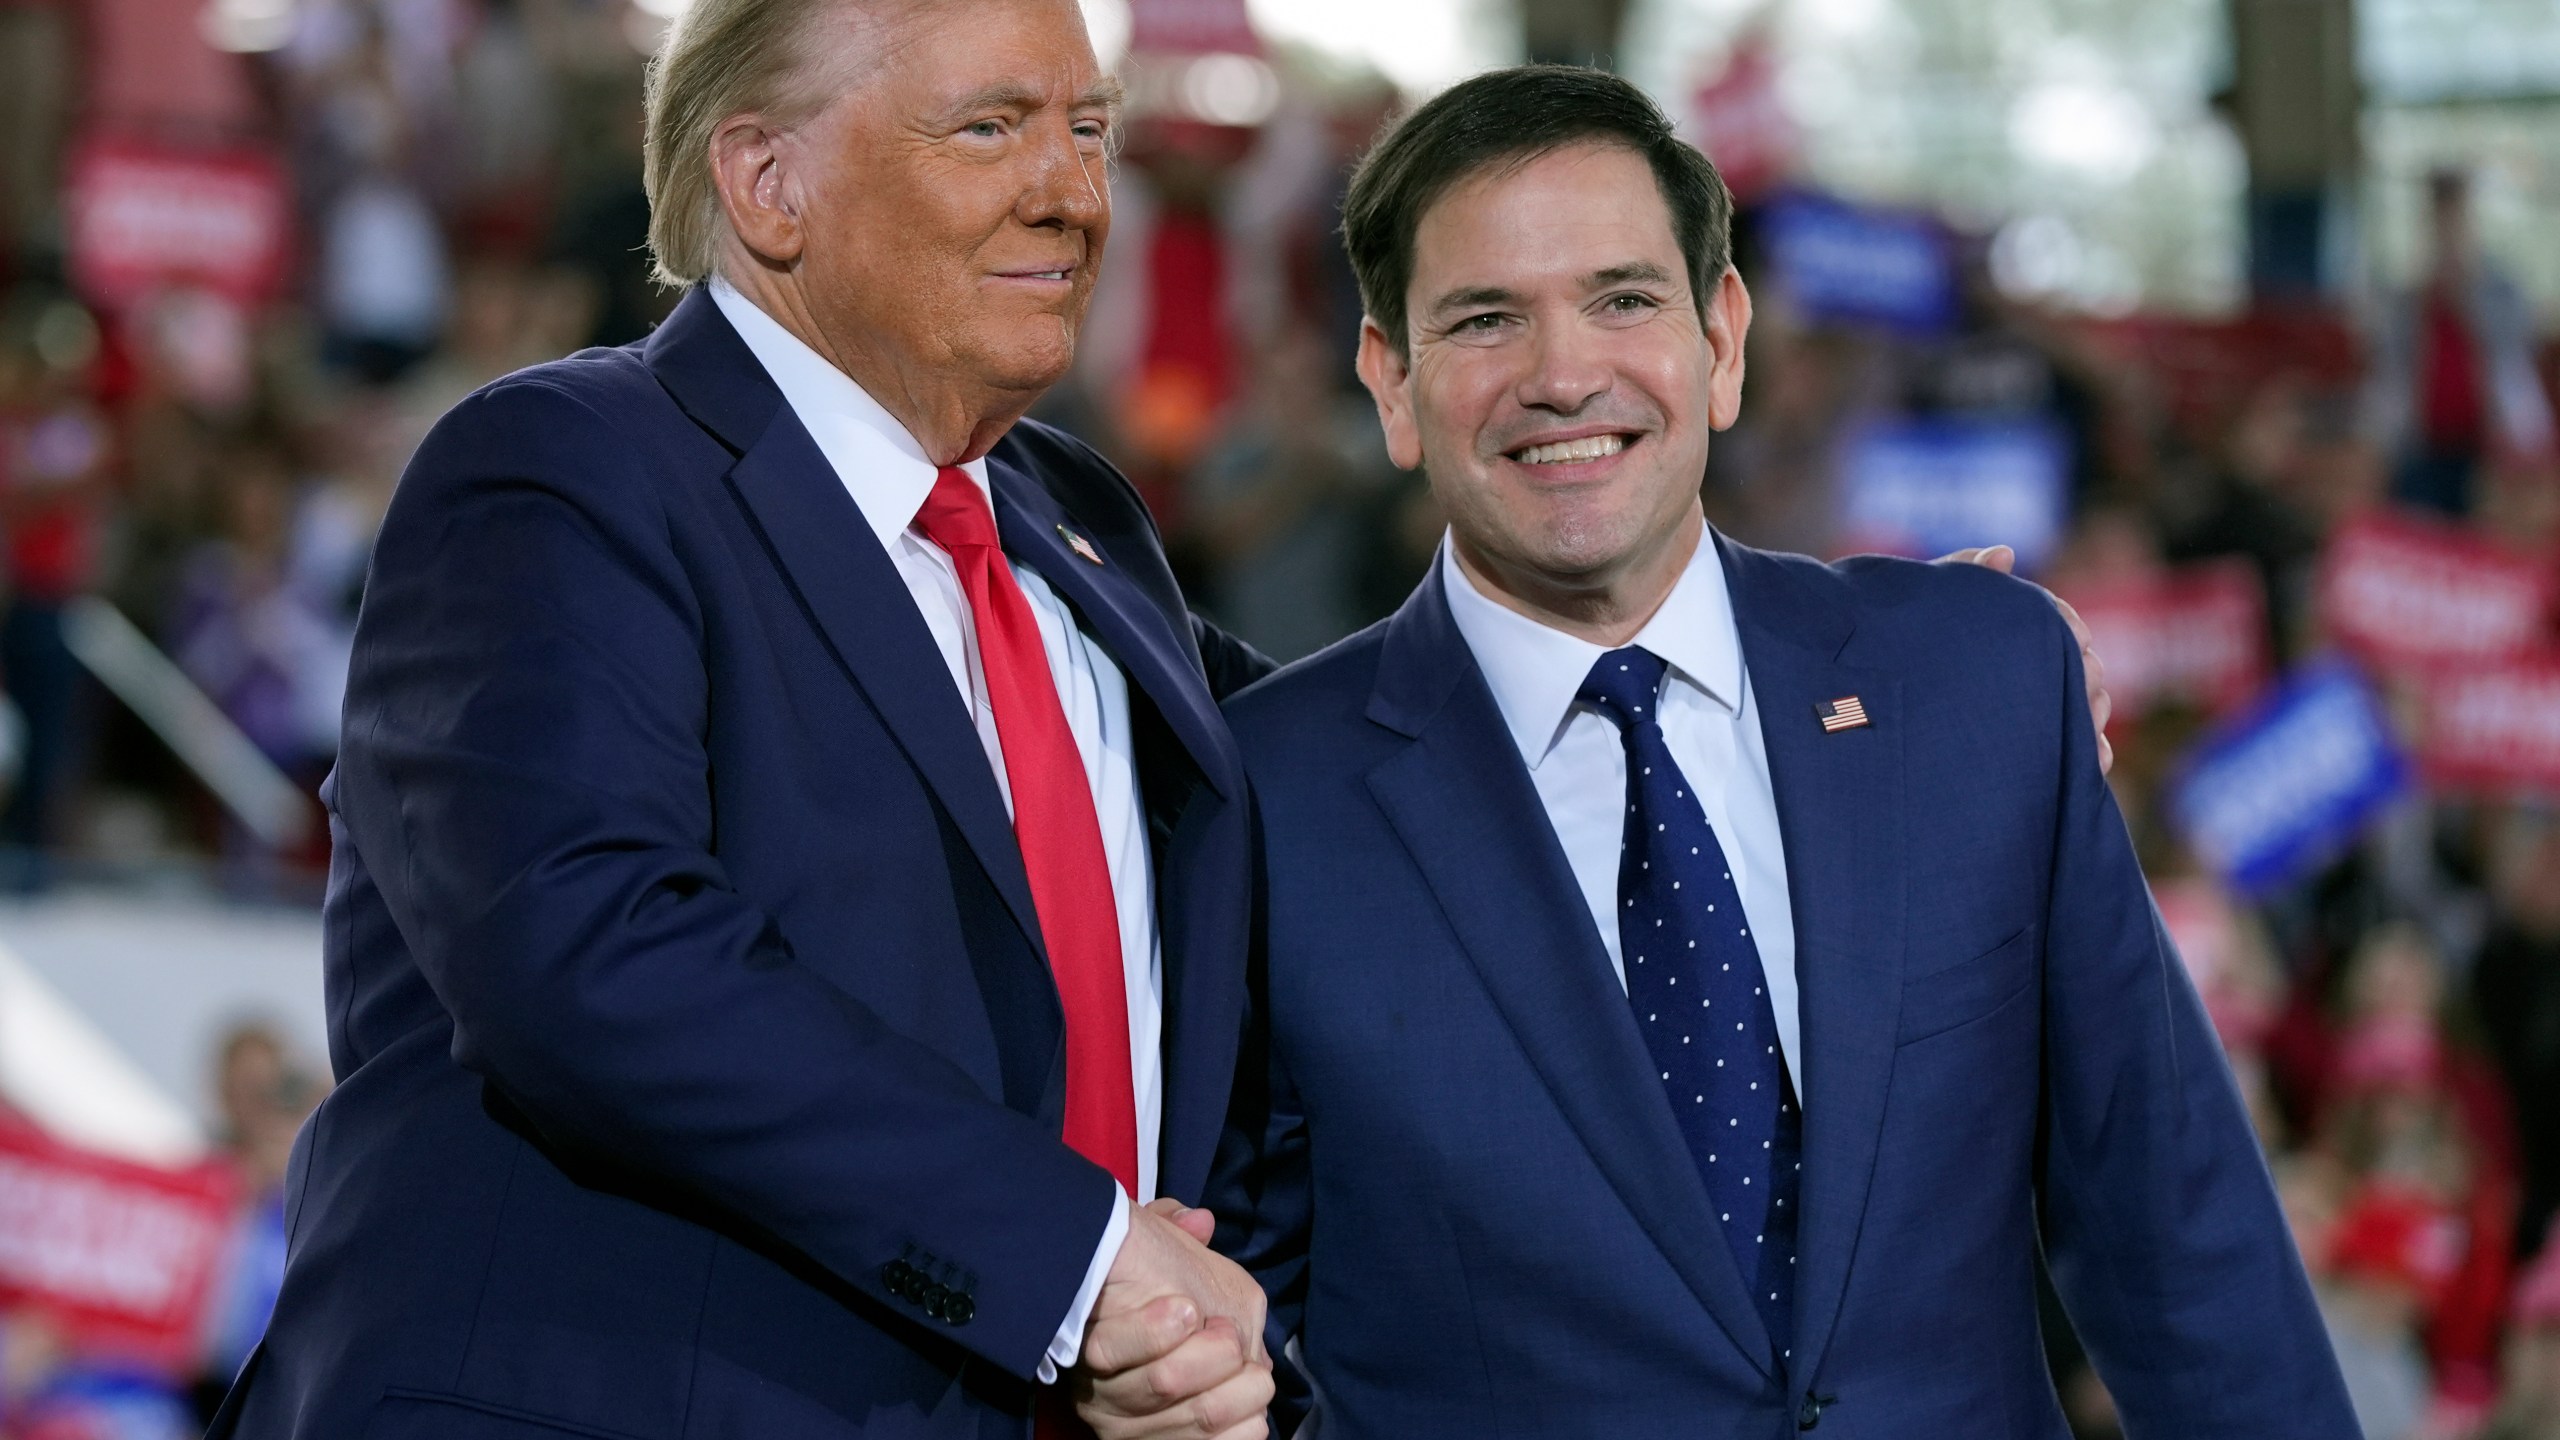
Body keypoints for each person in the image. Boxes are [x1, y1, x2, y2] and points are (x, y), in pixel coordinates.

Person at [1151, 66, 2354, 1436]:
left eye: (1624, 298)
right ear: (1392, 380)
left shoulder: (1979, 687)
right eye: (1486, 319)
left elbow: (2178, 1235)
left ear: (1723, 342)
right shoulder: (1261, 796)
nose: (1563, 375)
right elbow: (1227, 1337)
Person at [208, 2, 1280, 1436]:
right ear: (769, 185)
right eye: (991, 128)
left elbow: (1315, 809)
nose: (1072, 193)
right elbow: (591, 947)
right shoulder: (561, 471)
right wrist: (1079, 1265)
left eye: (1089, 129)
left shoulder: (1080, 525)